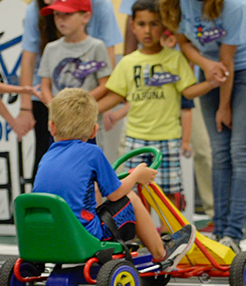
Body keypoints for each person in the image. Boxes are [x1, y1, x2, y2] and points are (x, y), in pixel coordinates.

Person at [33, 88, 196, 270]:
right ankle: (161, 253)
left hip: (46, 235)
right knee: (131, 198)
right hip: (83, 235)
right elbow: (115, 194)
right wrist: (136, 176)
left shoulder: (47, 156)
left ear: (51, 127)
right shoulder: (92, 152)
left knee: (92, 195)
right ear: (94, 130)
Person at [159, 0, 246, 252]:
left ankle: (233, 234)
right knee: (219, 152)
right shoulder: (173, 4)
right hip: (212, 71)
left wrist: (224, 107)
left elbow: (227, 59)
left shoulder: (236, 6)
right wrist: (204, 63)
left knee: (240, 150)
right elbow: (185, 43)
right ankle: (218, 230)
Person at [98, 0, 222, 213]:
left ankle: (170, 238)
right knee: (132, 191)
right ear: (133, 26)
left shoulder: (174, 59)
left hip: (168, 137)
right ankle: (139, 234)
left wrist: (210, 83)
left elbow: (187, 92)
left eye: (154, 24)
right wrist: (85, 110)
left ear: (165, 26)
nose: (148, 31)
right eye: (142, 24)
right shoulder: (128, 63)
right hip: (136, 137)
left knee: (169, 193)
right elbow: (115, 95)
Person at [4, 0, 123, 171]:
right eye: (57, 15)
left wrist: (79, 103)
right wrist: (55, 106)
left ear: (86, 16)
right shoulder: (51, 49)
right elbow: (44, 83)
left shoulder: (97, 46)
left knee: (90, 170)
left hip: (86, 122)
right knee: (54, 166)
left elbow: (107, 83)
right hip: (59, 123)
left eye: (67, 14)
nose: (60, 20)